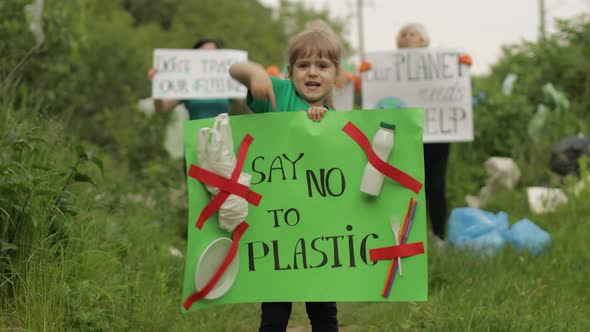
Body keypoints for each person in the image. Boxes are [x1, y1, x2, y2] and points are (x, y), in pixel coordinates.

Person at [230, 29, 340, 332]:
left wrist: (323, 128)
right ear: (290, 72)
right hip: (277, 234)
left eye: (322, 66)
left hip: (319, 238)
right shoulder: (276, 95)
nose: (313, 73)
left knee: (324, 313)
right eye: (303, 66)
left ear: (335, 75)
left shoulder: (337, 120)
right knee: (275, 314)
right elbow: (234, 69)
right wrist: (254, 74)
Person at [396, 23, 471, 246]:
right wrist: (367, 75)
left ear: (423, 40)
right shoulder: (390, 68)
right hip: (408, 136)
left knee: (436, 185)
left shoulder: (439, 63)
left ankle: (439, 236)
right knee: (408, 186)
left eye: (413, 34)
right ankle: (411, 237)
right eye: (404, 35)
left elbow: (454, 83)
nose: (408, 38)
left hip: (437, 135)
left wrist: (463, 66)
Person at [147, 38, 249, 120]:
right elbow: (162, 109)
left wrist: (249, 82)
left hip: (222, 138)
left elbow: (247, 107)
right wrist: (157, 86)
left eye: (214, 53)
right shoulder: (187, 83)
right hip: (195, 138)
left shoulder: (227, 82)